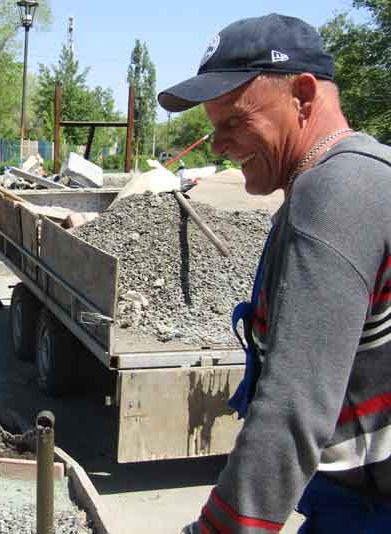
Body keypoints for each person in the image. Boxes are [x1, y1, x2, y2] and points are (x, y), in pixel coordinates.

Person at [158, 13, 391, 533]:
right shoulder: (360, 178)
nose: (218, 145)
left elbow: (295, 405)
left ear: (304, 96)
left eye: (234, 121)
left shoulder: (338, 192)